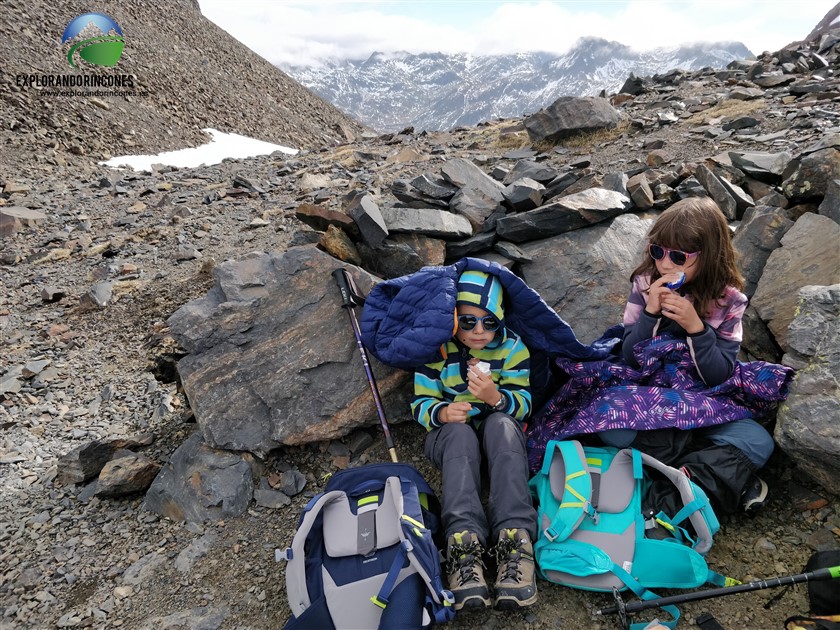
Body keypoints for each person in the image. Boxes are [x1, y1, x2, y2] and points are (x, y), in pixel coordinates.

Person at [600, 197, 772, 515]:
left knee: (758, 440)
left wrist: (696, 327)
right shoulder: (644, 283)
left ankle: (674, 474)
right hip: (654, 398)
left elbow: (719, 373)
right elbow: (630, 358)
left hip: (705, 400)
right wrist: (650, 313)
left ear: (708, 256)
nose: (665, 264)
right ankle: (716, 476)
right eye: (657, 251)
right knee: (611, 427)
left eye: (678, 256)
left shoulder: (730, 301)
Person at [411, 270, 538, 612]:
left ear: (500, 319)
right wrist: (442, 413)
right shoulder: (437, 349)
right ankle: (462, 543)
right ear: (453, 320)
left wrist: (496, 396)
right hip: (452, 439)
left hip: (497, 436)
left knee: (503, 425)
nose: (479, 331)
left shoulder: (512, 348)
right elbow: (420, 403)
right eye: (467, 321)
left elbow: (523, 406)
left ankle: (516, 538)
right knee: (459, 432)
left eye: (489, 322)